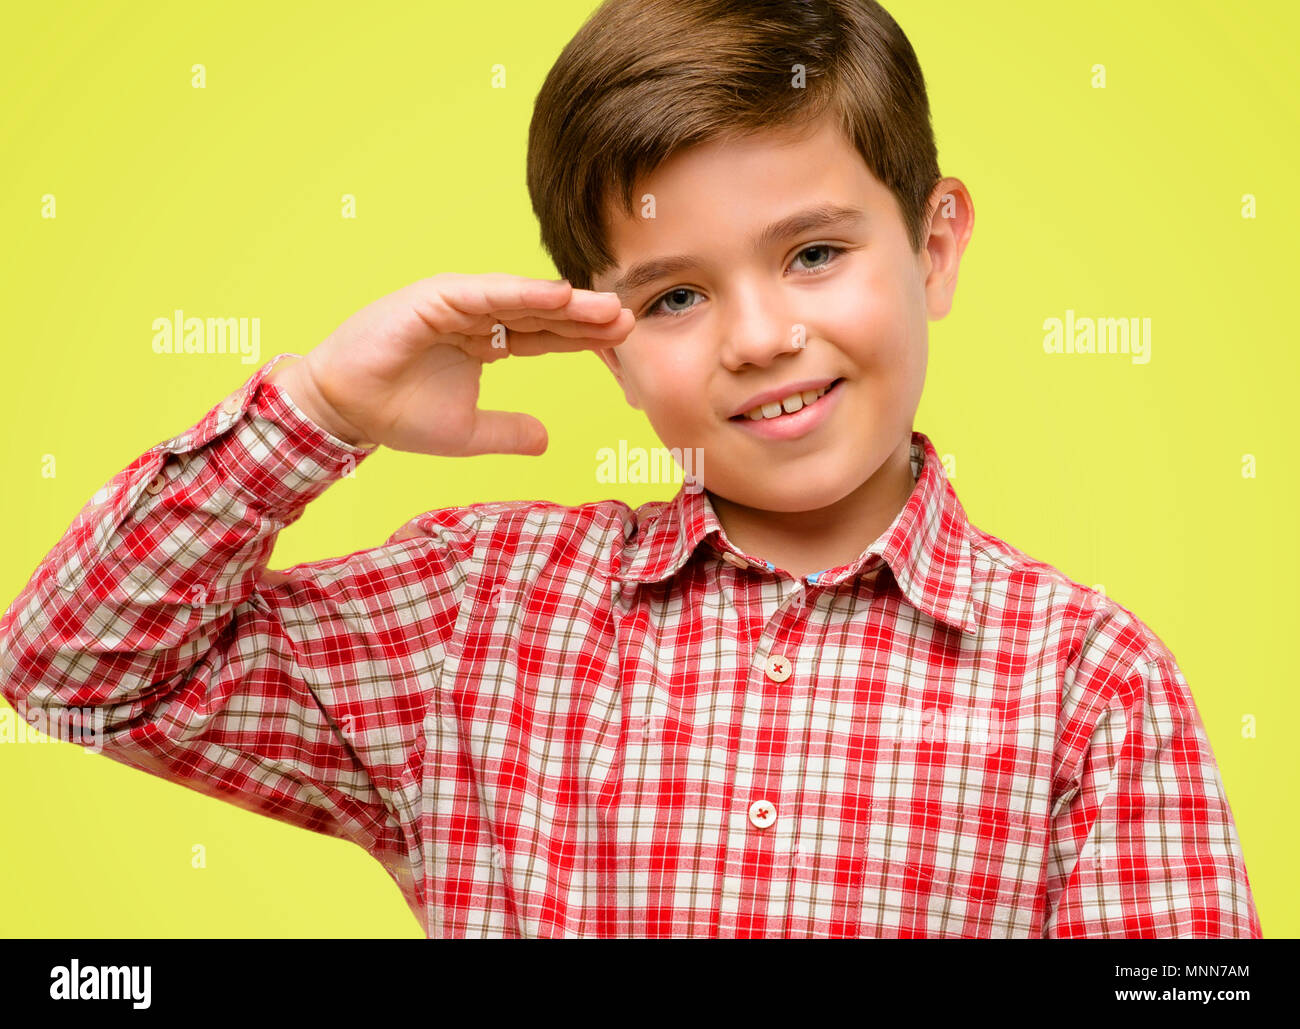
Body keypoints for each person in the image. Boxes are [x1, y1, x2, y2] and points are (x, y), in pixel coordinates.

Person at [0, 0, 1261, 937]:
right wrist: (322, 409)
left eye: (814, 253)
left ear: (934, 246)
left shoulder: (1091, 684)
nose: (761, 336)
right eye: (672, 296)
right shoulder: (478, 613)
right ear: (604, 344)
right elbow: (71, 676)